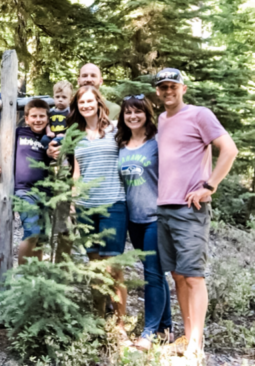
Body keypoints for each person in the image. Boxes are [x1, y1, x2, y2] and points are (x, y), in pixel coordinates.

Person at [154, 68, 238, 358]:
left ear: (183, 88)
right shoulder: (162, 120)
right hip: (164, 207)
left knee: (193, 276)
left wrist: (209, 186)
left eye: (173, 86)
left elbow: (229, 149)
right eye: (163, 87)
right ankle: (188, 337)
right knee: (177, 275)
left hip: (190, 208)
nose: (168, 91)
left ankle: (196, 345)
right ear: (158, 91)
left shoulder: (200, 114)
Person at [68, 85, 129, 343]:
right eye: (81, 102)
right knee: (94, 267)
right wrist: (73, 199)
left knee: (113, 266)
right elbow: (77, 172)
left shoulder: (116, 129)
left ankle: (120, 326)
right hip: (85, 207)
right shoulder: (76, 135)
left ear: (98, 102)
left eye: (90, 101)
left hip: (113, 204)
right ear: (77, 106)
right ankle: (97, 320)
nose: (86, 105)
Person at [115, 94, 172, 351]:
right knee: (154, 272)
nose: (133, 116)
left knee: (151, 274)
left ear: (146, 114)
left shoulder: (157, 142)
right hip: (132, 219)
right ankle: (166, 328)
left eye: (137, 112)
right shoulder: (122, 144)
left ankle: (149, 333)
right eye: (128, 112)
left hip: (155, 217)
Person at [15, 99, 51, 265]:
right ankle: (23, 276)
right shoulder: (19, 132)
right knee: (32, 231)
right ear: (27, 118)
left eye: (42, 116)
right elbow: (4, 147)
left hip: (45, 192)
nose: (38, 120)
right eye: (34, 116)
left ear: (48, 118)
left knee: (41, 237)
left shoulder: (49, 138)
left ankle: (35, 277)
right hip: (23, 190)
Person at [41, 80, 73, 148]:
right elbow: (48, 124)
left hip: (64, 137)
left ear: (70, 99)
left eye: (64, 97)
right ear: (54, 97)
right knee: (44, 139)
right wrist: (49, 132)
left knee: (59, 141)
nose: (60, 99)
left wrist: (65, 135)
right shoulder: (50, 112)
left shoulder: (70, 112)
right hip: (52, 135)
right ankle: (49, 152)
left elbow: (72, 126)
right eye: (57, 97)